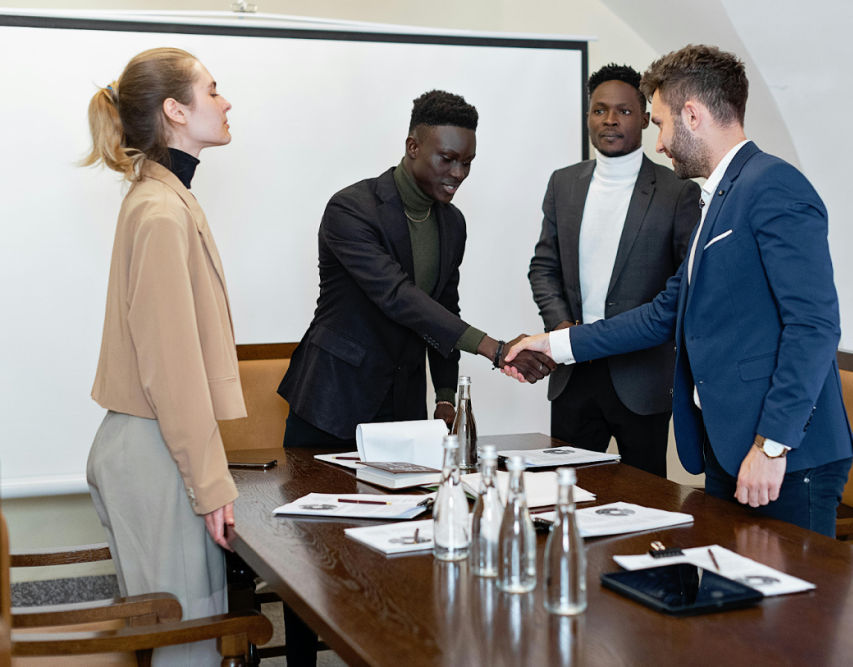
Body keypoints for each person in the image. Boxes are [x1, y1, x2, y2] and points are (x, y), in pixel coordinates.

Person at [506, 45, 853, 538]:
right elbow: (662, 313)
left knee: (789, 613)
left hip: (784, 456)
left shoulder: (773, 185)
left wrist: (773, 445)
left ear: (692, 115)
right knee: (731, 606)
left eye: (662, 125)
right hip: (730, 444)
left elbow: (814, 326)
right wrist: (554, 345)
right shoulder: (717, 196)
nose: (660, 143)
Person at [276, 89, 554, 666]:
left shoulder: (451, 223)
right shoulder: (351, 207)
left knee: (394, 547)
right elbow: (398, 298)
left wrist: (447, 396)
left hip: (400, 408)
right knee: (310, 554)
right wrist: (496, 348)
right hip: (329, 399)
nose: (458, 173)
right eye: (447, 159)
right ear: (412, 146)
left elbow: (441, 308)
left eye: (468, 163)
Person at [85, 48, 242, 666]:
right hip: (153, 450)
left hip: (150, 444)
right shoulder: (159, 210)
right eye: (213, 89)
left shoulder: (166, 197)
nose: (226, 102)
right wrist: (209, 485)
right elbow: (171, 370)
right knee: (188, 648)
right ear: (176, 110)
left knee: (189, 639)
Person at [529, 63, 700, 477]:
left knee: (644, 499)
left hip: (641, 379)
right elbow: (543, 267)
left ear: (644, 118)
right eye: (599, 110)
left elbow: (687, 284)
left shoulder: (678, 190)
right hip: (573, 375)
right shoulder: (563, 183)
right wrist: (564, 329)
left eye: (623, 111)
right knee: (560, 496)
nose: (609, 120)